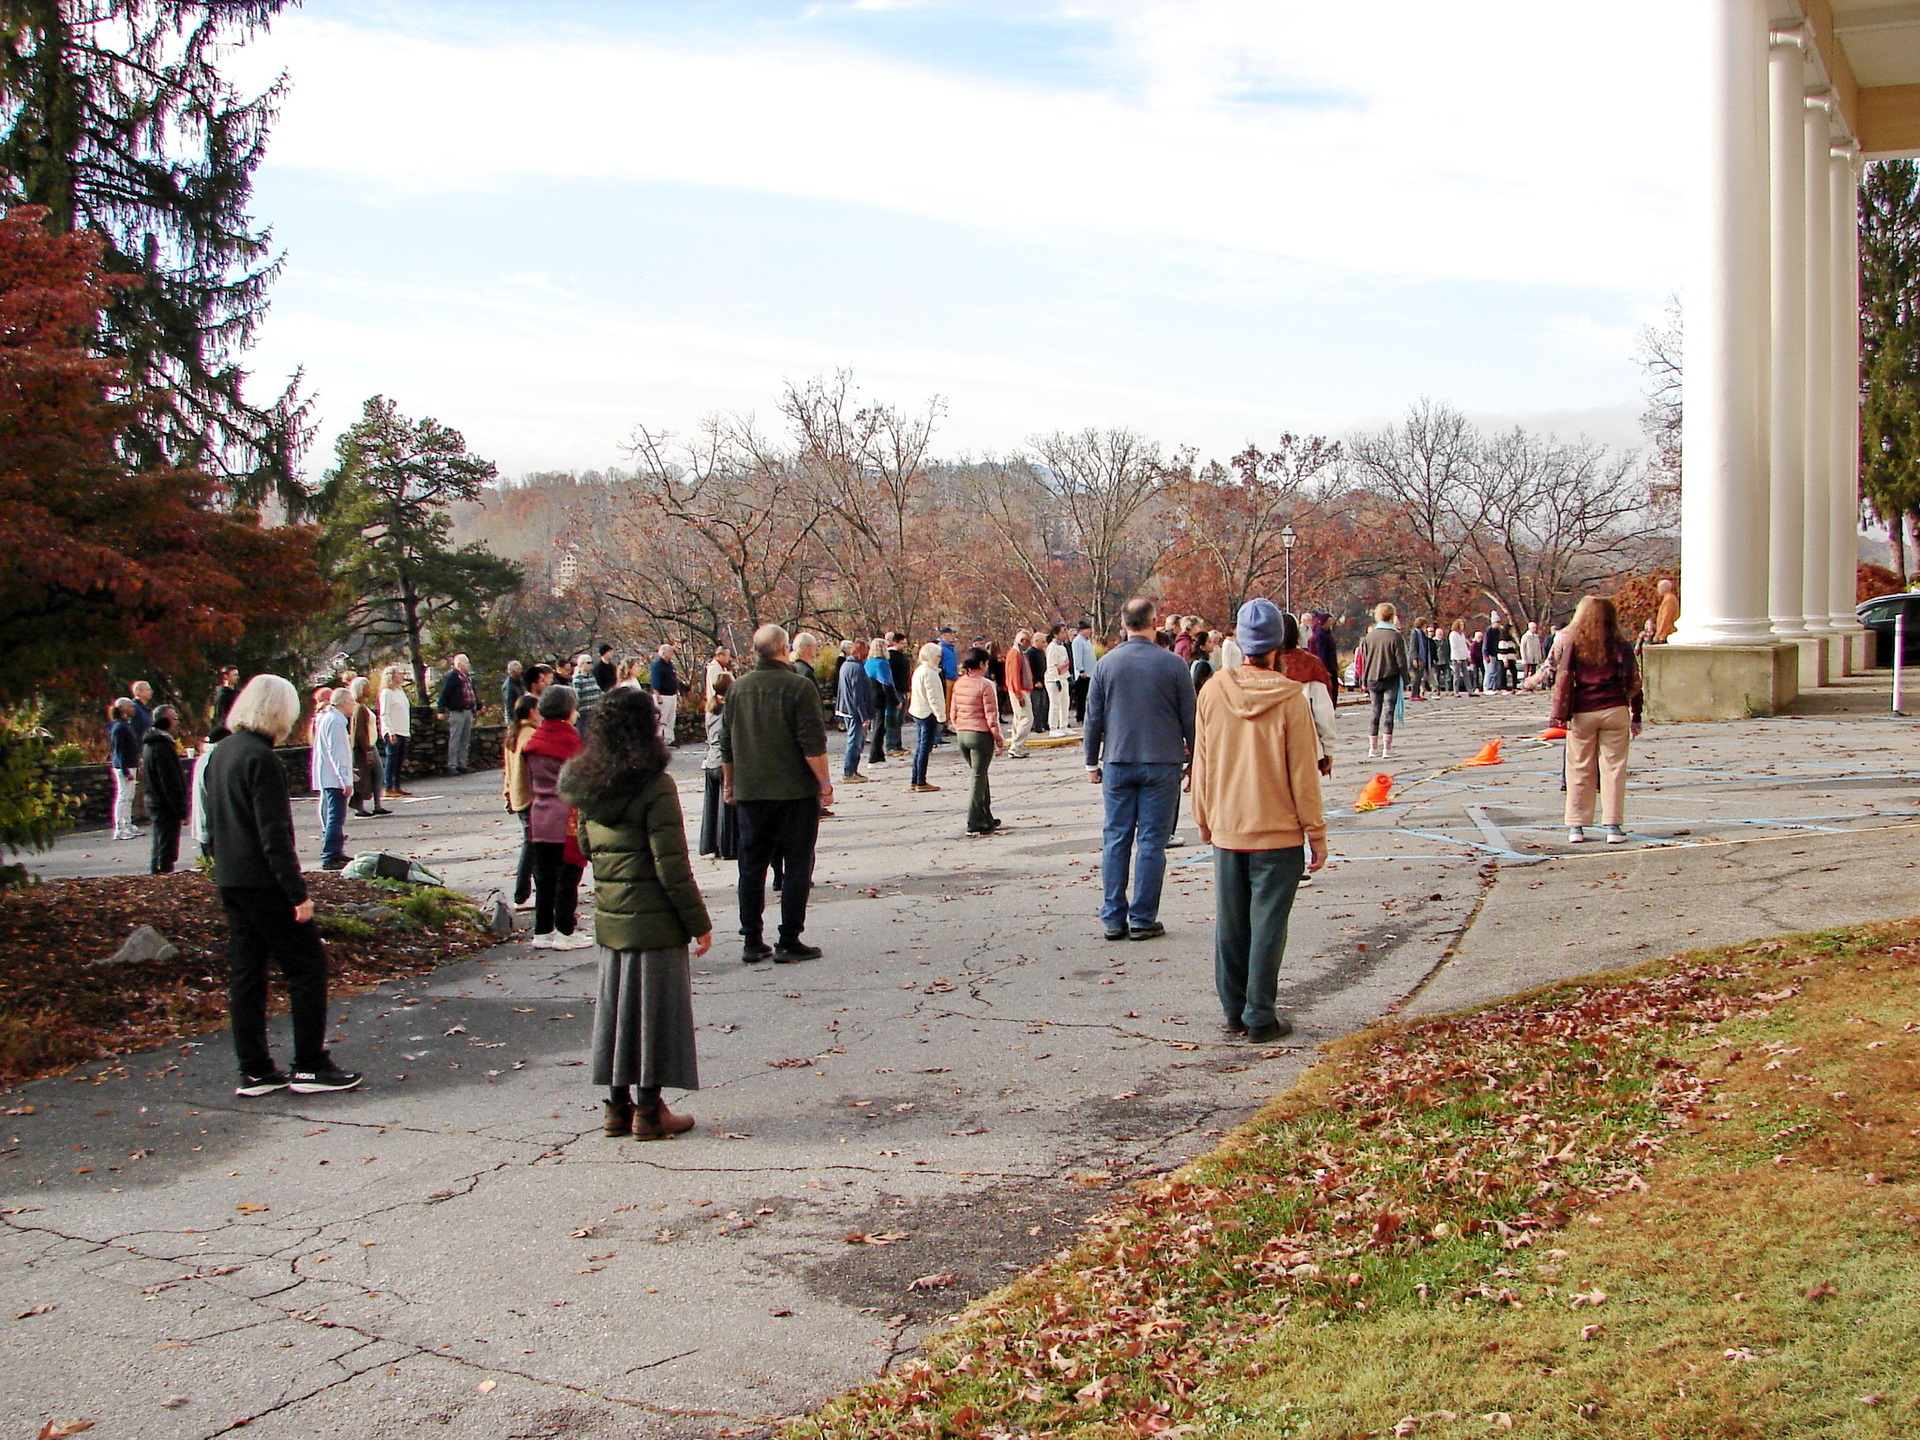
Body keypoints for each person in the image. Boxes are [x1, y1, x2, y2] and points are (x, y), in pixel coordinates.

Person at [562, 686, 713, 1141]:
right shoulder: (654, 784)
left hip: (611, 915)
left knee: (617, 1012)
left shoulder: (586, 782)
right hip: (655, 918)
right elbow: (671, 865)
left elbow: (587, 846)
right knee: (656, 1013)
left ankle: (615, 1106)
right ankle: (649, 1109)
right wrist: (698, 923)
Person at [202, 674, 360, 1096]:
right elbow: (274, 835)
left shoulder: (221, 754)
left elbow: (212, 823)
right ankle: (309, 1064)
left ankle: (254, 1068)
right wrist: (297, 892)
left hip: (231, 877)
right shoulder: (261, 759)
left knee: (247, 972)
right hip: (265, 880)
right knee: (307, 967)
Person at [1191, 598, 1328, 1043]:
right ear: (1279, 647)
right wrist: (1316, 832)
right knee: (1269, 922)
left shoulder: (1212, 690)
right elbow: (1303, 773)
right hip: (1277, 827)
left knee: (1231, 922)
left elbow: (1203, 761)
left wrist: (1204, 818)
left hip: (1229, 823)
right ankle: (1260, 1014)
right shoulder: (1290, 697)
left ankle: (1233, 1009)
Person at [1084, 597, 1196, 943]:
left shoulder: (1107, 664)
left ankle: (1113, 917)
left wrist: (1092, 760)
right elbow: (1189, 716)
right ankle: (1143, 917)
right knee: (1151, 841)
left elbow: (1094, 717)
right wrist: (1195, 758)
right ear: (1154, 622)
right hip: (1162, 760)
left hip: (1118, 759)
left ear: (1123, 623)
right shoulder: (1173, 664)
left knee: (1116, 837)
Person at [720, 624, 832, 963]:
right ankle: (788, 938)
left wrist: (730, 784)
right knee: (797, 863)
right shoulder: (798, 687)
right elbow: (812, 743)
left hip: (751, 791)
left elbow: (727, 743)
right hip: (794, 791)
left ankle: (751, 938)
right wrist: (825, 784)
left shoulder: (738, 689)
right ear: (785, 649)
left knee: (751, 866)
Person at [1550, 595, 1644, 845]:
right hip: (1615, 708)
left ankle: (1576, 826)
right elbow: (1633, 682)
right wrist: (1637, 715)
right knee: (1613, 769)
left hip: (1583, 711)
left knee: (1579, 768)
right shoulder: (1620, 644)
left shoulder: (1575, 643)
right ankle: (1613, 826)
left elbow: (1564, 678)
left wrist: (1559, 714)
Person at [522, 685, 591, 949]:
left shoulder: (535, 739)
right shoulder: (568, 739)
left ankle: (542, 930)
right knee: (568, 877)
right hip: (566, 816)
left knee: (545, 878)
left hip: (539, 815)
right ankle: (565, 930)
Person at [950, 646, 1006, 835]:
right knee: (978, 777)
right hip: (980, 734)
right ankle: (973, 820)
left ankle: (985, 816)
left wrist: (958, 727)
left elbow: (953, 711)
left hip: (963, 733)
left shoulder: (959, 683)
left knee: (980, 774)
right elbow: (991, 715)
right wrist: (998, 737)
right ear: (982, 664)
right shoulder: (985, 684)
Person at [1355, 603, 1408, 760]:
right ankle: (1387, 747)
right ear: (1392, 616)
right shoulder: (1395, 636)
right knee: (1389, 711)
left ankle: (1372, 747)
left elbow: (1364, 660)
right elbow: (1401, 660)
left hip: (1372, 677)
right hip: (1390, 676)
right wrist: (1406, 678)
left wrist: (1363, 680)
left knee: (1375, 711)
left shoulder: (1369, 637)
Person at [502, 692, 540, 907]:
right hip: (529, 795)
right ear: (532, 711)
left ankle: (530, 891)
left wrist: (507, 791)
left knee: (531, 844)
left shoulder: (514, 732)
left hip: (518, 795)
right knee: (531, 845)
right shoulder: (529, 734)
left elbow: (507, 767)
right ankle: (521, 894)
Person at [140, 705, 188, 874]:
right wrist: (182, 810)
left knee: (160, 844)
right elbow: (170, 781)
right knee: (166, 847)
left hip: (154, 800)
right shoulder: (163, 746)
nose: (176, 723)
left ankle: (158, 873)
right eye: (174, 719)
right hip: (164, 804)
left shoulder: (151, 744)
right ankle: (163, 875)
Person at [309, 687, 354, 870]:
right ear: (343, 703)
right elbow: (337, 753)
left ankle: (336, 852)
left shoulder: (330, 719)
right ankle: (330, 855)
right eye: (350, 702)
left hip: (329, 775)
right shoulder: (335, 722)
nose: (353, 706)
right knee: (335, 817)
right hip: (334, 778)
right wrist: (345, 779)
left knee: (334, 816)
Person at [698, 673, 738, 860]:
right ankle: (728, 846)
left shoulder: (710, 709)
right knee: (727, 806)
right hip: (724, 759)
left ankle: (708, 844)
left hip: (711, 759)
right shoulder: (729, 710)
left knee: (711, 806)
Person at [835, 637, 876, 783]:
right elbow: (857, 695)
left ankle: (853, 770)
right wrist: (864, 715)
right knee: (855, 742)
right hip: (854, 711)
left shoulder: (847, 665)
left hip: (847, 709)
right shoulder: (856, 669)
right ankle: (849, 772)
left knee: (856, 741)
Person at [906, 640, 946, 793]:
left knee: (920, 747)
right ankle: (921, 781)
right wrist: (941, 716)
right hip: (927, 713)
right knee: (925, 748)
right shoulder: (930, 673)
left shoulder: (919, 670)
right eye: (938, 656)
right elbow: (934, 697)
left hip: (918, 711)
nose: (940, 658)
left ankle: (915, 780)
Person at [348, 676, 389, 818]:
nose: (369, 690)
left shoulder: (362, 707)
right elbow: (359, 731)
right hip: (365, 747)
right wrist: (367, 749)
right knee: (364, 776)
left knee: (376, 774)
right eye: (366, 687)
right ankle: (361, 807)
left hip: (371, 744)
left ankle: (377, 804)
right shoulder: (359, 708)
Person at [436, 653, 479, 773]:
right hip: (457, 711)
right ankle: (452, 765)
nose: (468, 665)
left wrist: (478, 705)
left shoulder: (467, 677)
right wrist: (441, 710)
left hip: (468, 710)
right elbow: (444, 694)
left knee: (465, 739)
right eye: (466, 662)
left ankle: (462, 763)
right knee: (455, 738)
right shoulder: (453, 677)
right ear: (460, 664)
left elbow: (472, 692)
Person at [108, 698, 141, 840]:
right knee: (123, 796)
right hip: (124, 765)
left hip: (130, 764)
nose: (132, 709)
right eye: (129, 706)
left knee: (129, 796)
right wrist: (124, 770)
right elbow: (119, 751)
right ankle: (120, 826)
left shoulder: (125, 725)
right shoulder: (119, 728)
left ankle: (127, 823)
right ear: (123, 709)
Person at [378, 665, 412, 797]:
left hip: (403, 730)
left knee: (399, 760)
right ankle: (388, 787)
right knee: (391, 759)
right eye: (398, 674)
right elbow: (384, 714)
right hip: (393, 731)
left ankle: (397, 785)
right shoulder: (387, 693)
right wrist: (390, 731)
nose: (401, 676)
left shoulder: (400, 692)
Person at [1001, 628, 1035, 758]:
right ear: (1022, 641)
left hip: (1019, 689)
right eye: (1028, 641)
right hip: (1019, 689)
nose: (1029, 644)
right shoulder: (1015, 654)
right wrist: (1019, 695)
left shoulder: (1019, 653)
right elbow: (1013, 676)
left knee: (1019, 718)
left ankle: (1016, 747)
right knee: (1027, 718)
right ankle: (1016, 746)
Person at [864, 637, 898, 767]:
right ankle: (874, 758)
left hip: (871, 696)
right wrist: (894, 700)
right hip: (880, 697)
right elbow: (886, 684)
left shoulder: (868, 662)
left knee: (877, 727)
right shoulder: (882, 663)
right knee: (879, 728)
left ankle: (879, 756)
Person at [885, 633, 913, 755]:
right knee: (893, 720)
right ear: (895, 643)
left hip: (903, 689)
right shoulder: (890, 657)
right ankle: (891, 745)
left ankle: (897, 744)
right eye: (902, 643)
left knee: (900, 720)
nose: (904, 646)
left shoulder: (902, 656)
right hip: (896, 690)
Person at [648, 641, 682, 745]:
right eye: (670, 651)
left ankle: (669, 739)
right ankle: (659, 739)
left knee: (671, 718)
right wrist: (657, 696)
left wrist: (677, 693)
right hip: (663, 695)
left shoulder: (670, 665)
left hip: (671, 695)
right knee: (662, 718)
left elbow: (673, 679)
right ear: (663, 652)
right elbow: (655, 681)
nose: (672, 653)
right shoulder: (657, 665)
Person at [1044, 624, 1073, 736]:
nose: (1064, 634)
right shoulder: (1051, 647)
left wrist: (1068, 676)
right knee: (1055, 704)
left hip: (1063, 677)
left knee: (1065, 702)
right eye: (1062, 632)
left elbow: (1065, 662)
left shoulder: (1063, 647)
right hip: (1053, 679)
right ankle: (1053, 727)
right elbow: (1051, 665)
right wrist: (1056, 679)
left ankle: (1063, 725)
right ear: (1055, 634)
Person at [1069, 620, 1097, 725]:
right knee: (1082, 697)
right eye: (1087, 630)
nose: (1089, 632)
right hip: (1083, 674)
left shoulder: (1087, 641)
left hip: (1091, 672)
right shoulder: (1077, 642)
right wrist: (1081, 670)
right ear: (1081, 631)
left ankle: (1086, 715)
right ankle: (1080, 717)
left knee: (1088, 696)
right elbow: (1077, 657)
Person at [572, 651, 603, 738]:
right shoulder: (578, 680)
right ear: (581, 664)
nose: (590, 665)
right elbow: (576, 696)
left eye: (591, 663)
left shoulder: (592, 678)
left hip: (594, 712)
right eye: (588, 663)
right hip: (583, 714)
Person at [208, 666, 241, 743]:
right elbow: (221, 718)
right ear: (226, 676)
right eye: (235, 675)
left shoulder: (237, 693)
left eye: (237, 675)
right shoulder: (222, 695)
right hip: (226, 733)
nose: (237, 677)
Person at [1305, 614, 1339, 686]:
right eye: (1329, 621)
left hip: (1332, 666)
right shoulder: (1320, 634)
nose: (1331, 622)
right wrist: (1324, 669)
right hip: (1327, 667)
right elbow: (1321, 652)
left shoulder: (1328, 633)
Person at [1448, 619, 1474, 695]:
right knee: (1457, 675)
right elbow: (1454, 647)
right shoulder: (1453, 634)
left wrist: (1467, 656)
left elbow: (1464, 646)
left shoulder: (1462, 635)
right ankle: (1456, 691)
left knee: (1466, 675)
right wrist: (1457, 658)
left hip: (1463, 657)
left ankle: (1470, 691)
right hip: (1456, 658)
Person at [1652, 578, 1680, 642]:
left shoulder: (1669, 599)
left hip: (1666, 634)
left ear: (1664, 588)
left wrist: (1658, 634)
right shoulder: (1668, 598)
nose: (1658, 590)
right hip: (1665, 634)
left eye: (1659, 587)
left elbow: (1666, 618)